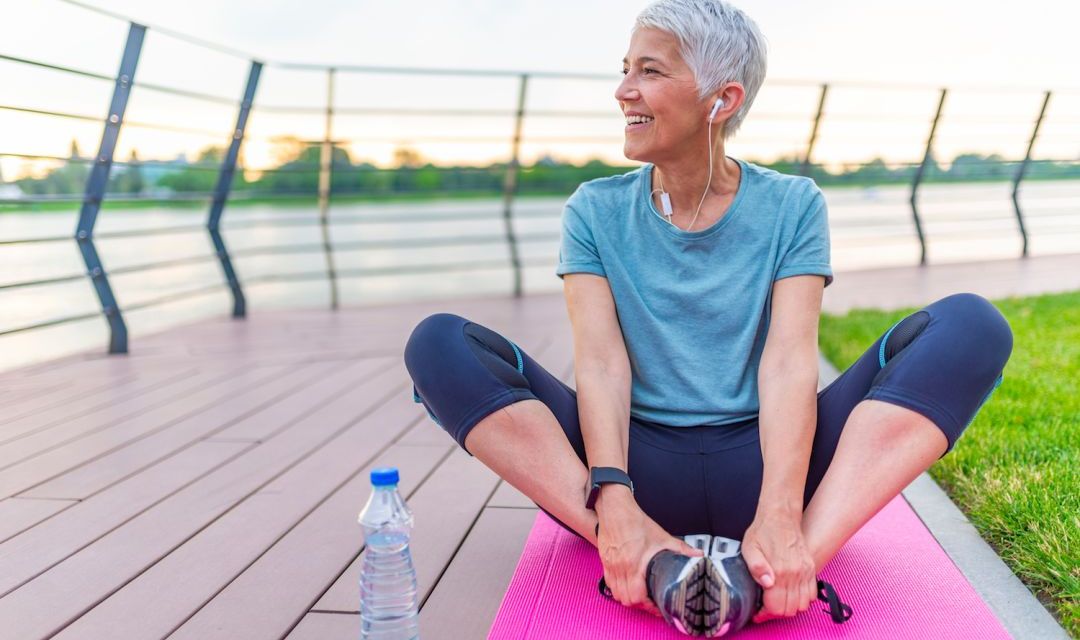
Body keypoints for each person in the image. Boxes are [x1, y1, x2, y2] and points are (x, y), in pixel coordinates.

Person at [404, 0, 1013, 634]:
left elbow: (787, 363)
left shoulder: (793, 204)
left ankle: (786, 561)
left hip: (771, 462)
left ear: (720, 101)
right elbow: (602, 364)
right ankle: (643, 552)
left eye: (649, 72)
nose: (623, 91)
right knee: (439, 344)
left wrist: (779, 509)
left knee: (973, 327)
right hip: (634, 472)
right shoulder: (593, 210)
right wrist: (613, 499)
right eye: (624, 70)